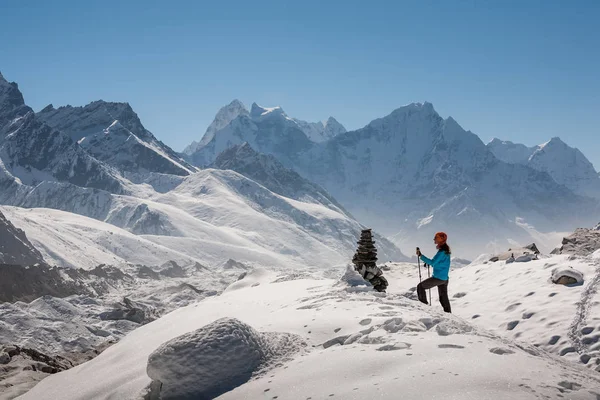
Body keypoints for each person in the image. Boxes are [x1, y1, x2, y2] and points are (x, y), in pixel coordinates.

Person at [416, 232, 452, 313]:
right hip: (444, 278)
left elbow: (433, 262)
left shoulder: (442, 252)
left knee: (420, 287)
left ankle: (424, 308)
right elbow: (440, 263)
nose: (434, 239)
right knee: (443, 298)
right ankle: (449, 315)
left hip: (438, 278)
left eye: (436, 238)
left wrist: (421, 256)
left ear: (440, 239)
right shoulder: (445, 251)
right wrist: (430, 262)